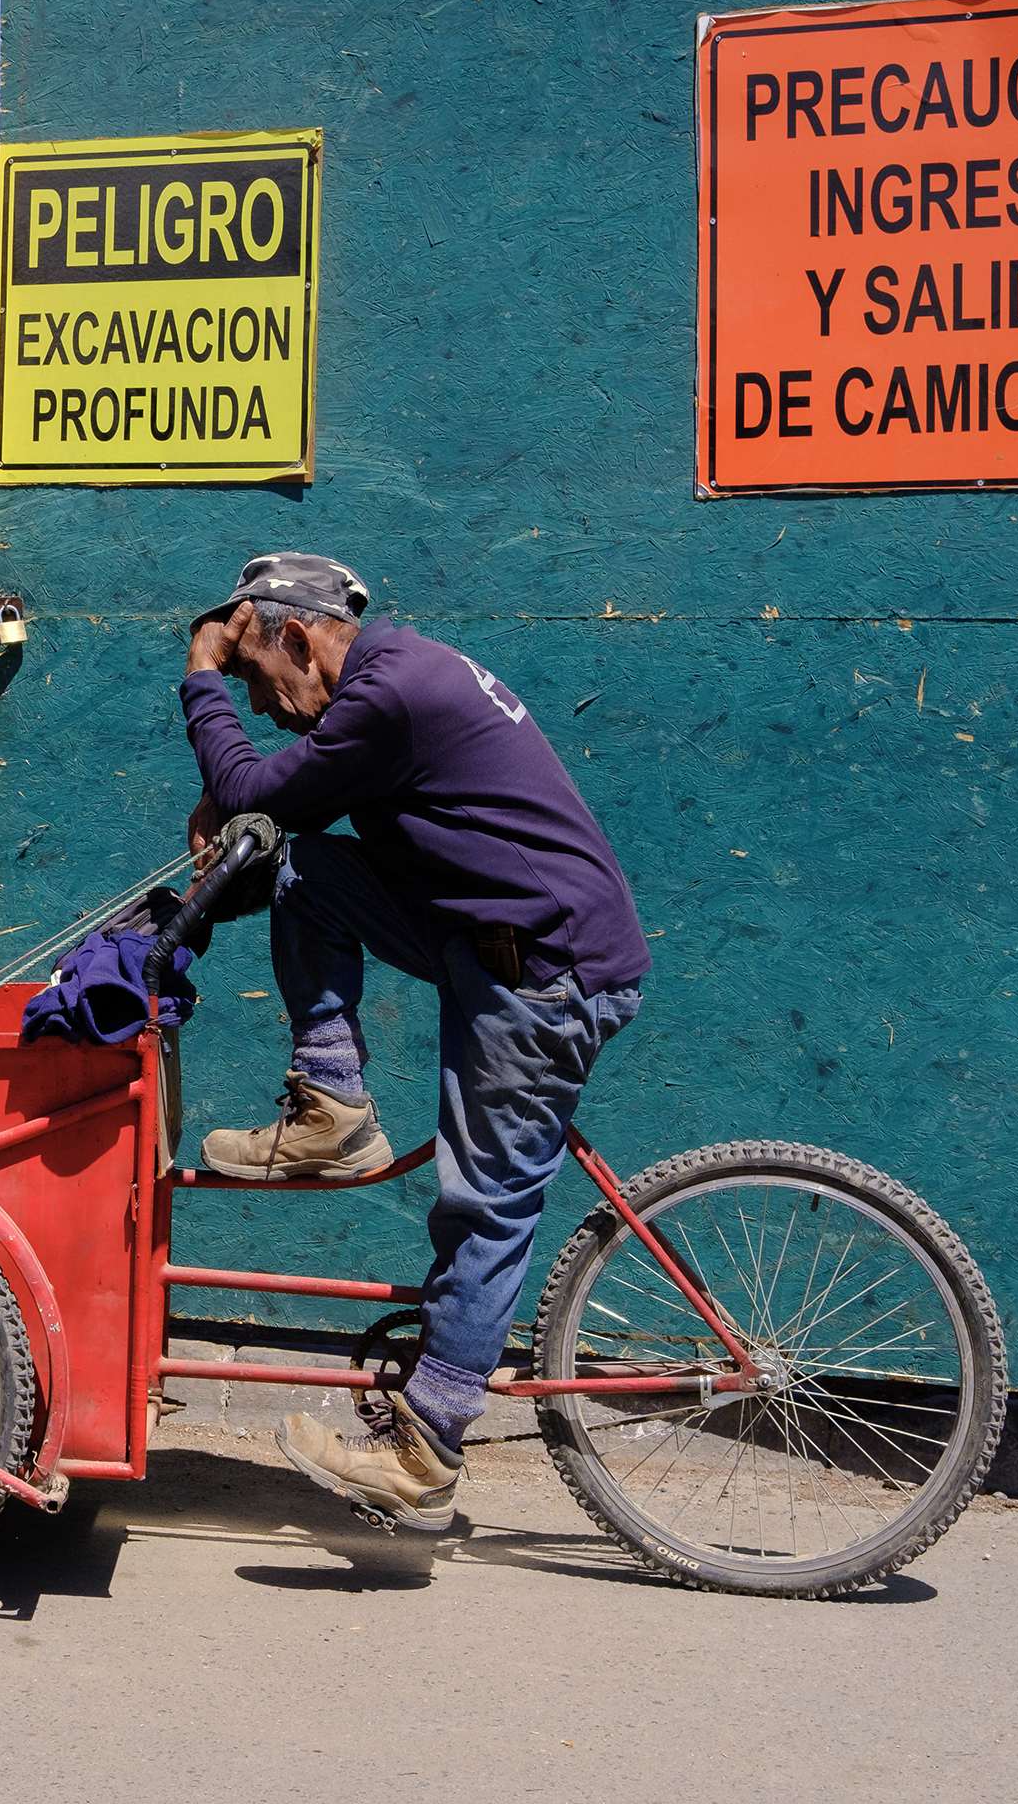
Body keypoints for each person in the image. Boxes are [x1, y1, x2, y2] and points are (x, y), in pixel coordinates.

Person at [178, 552, 648, 1530]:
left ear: (300, 638)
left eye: (261, 679)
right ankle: (333, 1103)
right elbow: (270, 806)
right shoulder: (400, 675)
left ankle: (424, 1450)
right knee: (310, 874)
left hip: (541, 970)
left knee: (486, 1207)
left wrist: (201, 674)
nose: (262, 707)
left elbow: (252, 779)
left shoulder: (388, 697)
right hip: (482, 940)